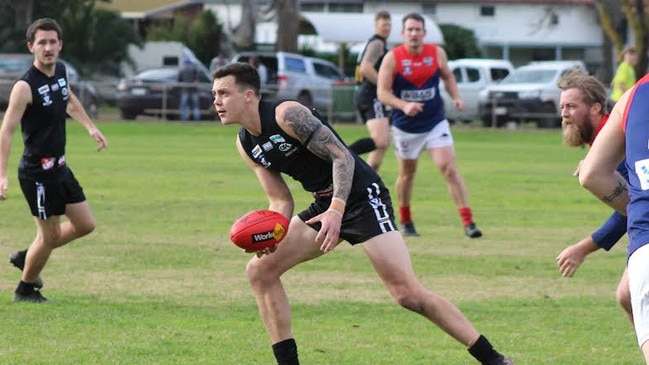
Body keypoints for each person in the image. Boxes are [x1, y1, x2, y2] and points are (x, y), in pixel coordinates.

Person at [211, 61, 514, 365]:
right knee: (260, 271)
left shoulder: (287, 114)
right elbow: (279, 199)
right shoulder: (245, 143)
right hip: (324, 205)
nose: (217, 101)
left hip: (362, 198)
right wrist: (272, 234)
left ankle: (494, 359)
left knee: (407, 295)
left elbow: (342, 157)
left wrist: (337, 210)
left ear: (249, 95)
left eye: (224, 93)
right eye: (215, 95)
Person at [0, 18, 108, 303]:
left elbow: (69, 99)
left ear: (60, 44)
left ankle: (29, 256)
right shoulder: (24, 87)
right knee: (47, 236)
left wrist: (91, 127)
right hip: (37, 173)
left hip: (60, 167)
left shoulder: (60, 71)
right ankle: (25, 289)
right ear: (31, 47)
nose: (48, 48)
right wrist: (2, 175)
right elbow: (7, 131)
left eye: (52, 42)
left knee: (85, 225)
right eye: (41, 43)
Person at [376, 12, 481, 238]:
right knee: (407, 173)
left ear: (424, 33)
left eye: (418, 29)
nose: (414, 33)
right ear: (403, 33)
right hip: (405, 127)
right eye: (410, 30)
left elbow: (448, 77)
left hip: (435, 122)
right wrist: (404, 105)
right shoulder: (393, 58)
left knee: (449, 169)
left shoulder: (436, 53)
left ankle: (468, 222)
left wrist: (456, 96)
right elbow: (383, 93)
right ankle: (406, 221)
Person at [579, 74, 649, 363]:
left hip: (645, 252)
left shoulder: (634, 95)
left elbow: (591, 174)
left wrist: (638, 216)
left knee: (625, 293)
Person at [555, 70, 632, 322]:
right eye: (562, 107)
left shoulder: (618, 143)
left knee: (630, 294)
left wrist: (582, 248)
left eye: (571, 107)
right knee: (628, 295)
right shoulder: (604, 142)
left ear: (596, 108)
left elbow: (632, 209)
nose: (564, 114)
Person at [347, 10, 392, 171]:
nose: (387, 28)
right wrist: (384, 86)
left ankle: (370, 176)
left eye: (389, 25)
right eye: (383, 25)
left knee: (383, 143)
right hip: (371, 95)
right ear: (376, 26)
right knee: (381, 141)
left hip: (366, 94)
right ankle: (342, 156)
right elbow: (366, 68)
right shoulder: (377, 43)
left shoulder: (373, 42)